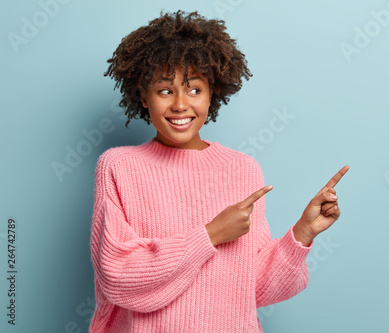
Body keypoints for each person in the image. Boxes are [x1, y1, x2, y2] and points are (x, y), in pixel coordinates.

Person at [89, 9, 349, 333]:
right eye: (166, 90)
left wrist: (303, 233)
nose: (181, 105)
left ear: (213, 94)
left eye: (195, 89)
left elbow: (252, 289)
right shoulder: (119, 167)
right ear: (143, 96)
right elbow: (119, 275)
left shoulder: (242, 170)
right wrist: (211, 235)